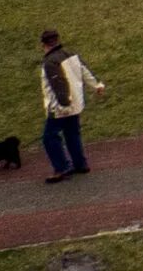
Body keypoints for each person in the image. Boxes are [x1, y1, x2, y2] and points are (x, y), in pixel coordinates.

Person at [38, 30, 105, 181]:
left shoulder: (49, 62)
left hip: (61, 107)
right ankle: (80, 163)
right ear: (57, 40)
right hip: (76, 103)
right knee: (72, 134)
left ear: (44, 44)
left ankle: (61, 167)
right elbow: (84, 70)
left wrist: (63, 103)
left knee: (49, 137)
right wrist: (97, 85)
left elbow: (58, 82)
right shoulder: (70, 54)